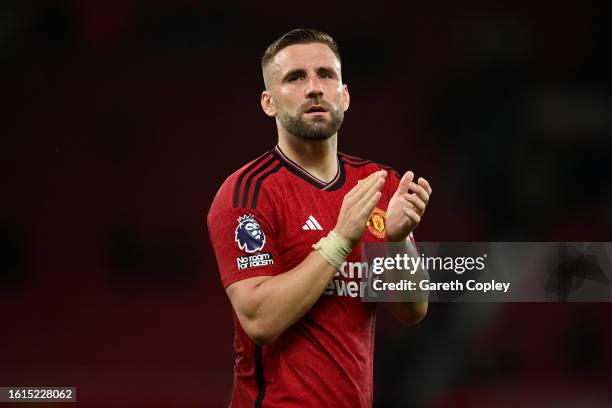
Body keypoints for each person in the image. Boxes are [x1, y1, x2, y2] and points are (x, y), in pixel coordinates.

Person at [207, 28, 432, 408]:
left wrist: (396, 243)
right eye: (295, 78)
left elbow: (412, 310)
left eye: (326, 75)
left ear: (344, 95)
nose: (314, 88)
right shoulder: (247, 193)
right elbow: (260, 321)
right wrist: (341, 239)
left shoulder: (379, 185)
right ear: (269, 102)